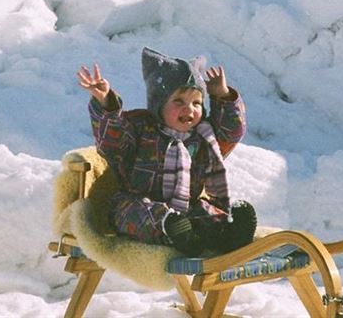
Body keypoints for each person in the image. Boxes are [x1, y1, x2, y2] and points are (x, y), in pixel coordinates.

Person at [77, 46, 256, 256]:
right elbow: (112, 140)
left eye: (196, 103)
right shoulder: (141, 129)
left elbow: (231, 132)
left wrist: (222, 95)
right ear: (158, 105)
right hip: (140, 203)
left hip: (187, 209)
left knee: (205, 213)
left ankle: (229, 232)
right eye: (178, 101)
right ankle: (173, 230)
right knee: (133, 212)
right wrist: (106, 102)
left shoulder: (203, 137)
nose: (189, 109)